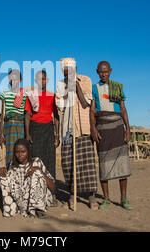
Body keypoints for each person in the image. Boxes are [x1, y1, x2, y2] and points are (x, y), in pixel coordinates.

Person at [56, 57, 98, 210]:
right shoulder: (61, 84)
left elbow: (86, 102)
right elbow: (60, 104)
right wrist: (67, 91)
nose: (68, 75)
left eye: (71, 72)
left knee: (87, 163)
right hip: (68, 128)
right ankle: (72, 196)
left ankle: (91, 196)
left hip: (83, 127)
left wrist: (76, 86)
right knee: (68, 163)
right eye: (66, 73)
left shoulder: (86, 79)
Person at [90, 61, 133, 210]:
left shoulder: (117, 87)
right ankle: (107, 199)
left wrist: (127, 129)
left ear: (110, 71)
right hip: (102, 128)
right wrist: (93, 129)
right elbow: (92, 110)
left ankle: (124, 199)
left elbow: (123, 109)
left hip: (117, 127)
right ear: (97, 72)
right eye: (101, 72)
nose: (104, 74)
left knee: (122, 163)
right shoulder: (94, 88)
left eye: (106, 71)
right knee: (103, 163)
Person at [24, 70, 59, 203]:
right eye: (39, 79)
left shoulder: (52, 95)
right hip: (34, 129)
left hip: (48, 129)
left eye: (44, 79)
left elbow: (56, 116)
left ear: (47, 80)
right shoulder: (31, 95)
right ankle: (36, 193)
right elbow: (27, 114)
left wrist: (57, 134)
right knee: (36, 160)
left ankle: (51, 194)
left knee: (50, 161)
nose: (42, 81)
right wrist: (27, 134)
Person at [0, 138, 55, 218]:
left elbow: (52, 187)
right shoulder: (12, 165)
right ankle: (11, 208)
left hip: (37, 198)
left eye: (23, 152)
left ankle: (38, 209)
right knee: (2, 176)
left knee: (36, 173)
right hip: (21, 199)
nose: (20, 155)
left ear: (28, 152)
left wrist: (40, 171)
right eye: (17, 152)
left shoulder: (36, 162)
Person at [0, 69, 27, 166]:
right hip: (9, 125)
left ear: (20, 80)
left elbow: (27, 113)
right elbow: (2, 114)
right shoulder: (5, 94)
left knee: (21, 149)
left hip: (20, 125)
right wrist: (0, 133)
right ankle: (10, 171)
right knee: (10, 150)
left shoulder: (24, 94)